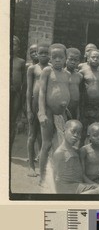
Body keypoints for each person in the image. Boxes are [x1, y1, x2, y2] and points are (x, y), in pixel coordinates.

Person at [38, 43, 71, 185]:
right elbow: (42, 92)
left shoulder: (67, 73)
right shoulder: (47, 71)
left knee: (61, 144)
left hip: (61, 113)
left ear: (65, 59)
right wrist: (41, 112)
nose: (57, 60)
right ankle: (42, 176)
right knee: (46, 144)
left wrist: (65, 106)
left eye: (61, 57)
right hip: (49, 112)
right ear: (50, 58)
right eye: (54, 57)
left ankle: (57, 174)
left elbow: (63, 90)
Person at [53, 120, 99, 194]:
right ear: (64, 130)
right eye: (73, 131)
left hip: (78, 185)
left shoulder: (76, 150)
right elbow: (56, 178)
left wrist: (95, 184)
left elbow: (81, 174)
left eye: (79, 133)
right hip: (67, 188)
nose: (76, 135)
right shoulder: (60, 153)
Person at [26, 42, 51, 177]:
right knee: (32, 135)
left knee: (44, 137)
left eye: (46, 53)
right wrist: (29, 109)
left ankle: (42, 166)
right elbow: (29, 91)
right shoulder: (32, 69)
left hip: (46, 107)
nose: (42, 55)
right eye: (40, 53)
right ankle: (31, 166)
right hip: (35, 105)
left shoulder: (51, 69)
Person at [80, 48, 99, 146]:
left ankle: (93, 154)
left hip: (97, 108)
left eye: (98, 58)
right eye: (93, 57)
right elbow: (80, 91)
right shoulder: (83, 72)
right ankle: (81, 152)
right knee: (83, 132)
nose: (95, 59)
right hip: (86, 107)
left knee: (95, 131)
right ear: (88, 59)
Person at [10, 35, 26, 150]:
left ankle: (8, 147)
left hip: (16, 95)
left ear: (18, 47)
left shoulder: (21, 62)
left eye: (14, 44)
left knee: (12, 120)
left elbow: (23, 82)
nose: (12, 46)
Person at [65, 48, 83, 120]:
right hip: (64, 108)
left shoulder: (79, 76)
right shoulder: (62, 74)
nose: (73, 62)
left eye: (76, 60)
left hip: (74, 109)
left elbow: (79, 95)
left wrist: (78, 112)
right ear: (65, 59)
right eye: (71, 59)